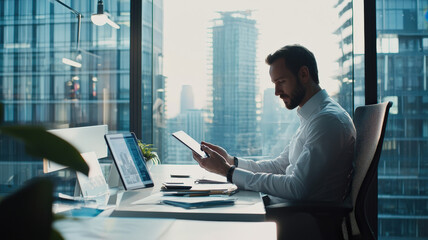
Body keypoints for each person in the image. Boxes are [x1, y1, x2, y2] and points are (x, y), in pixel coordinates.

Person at [193, 44, 356, 204]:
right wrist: (231, 161)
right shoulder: (313, 117)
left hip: (301, 219)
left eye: (281, 81)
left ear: (304, 74)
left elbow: (297, 188)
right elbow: (280, 166)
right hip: (287, 210)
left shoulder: (327, 121)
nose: (277, 91)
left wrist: (227, 171)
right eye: (274, 84)